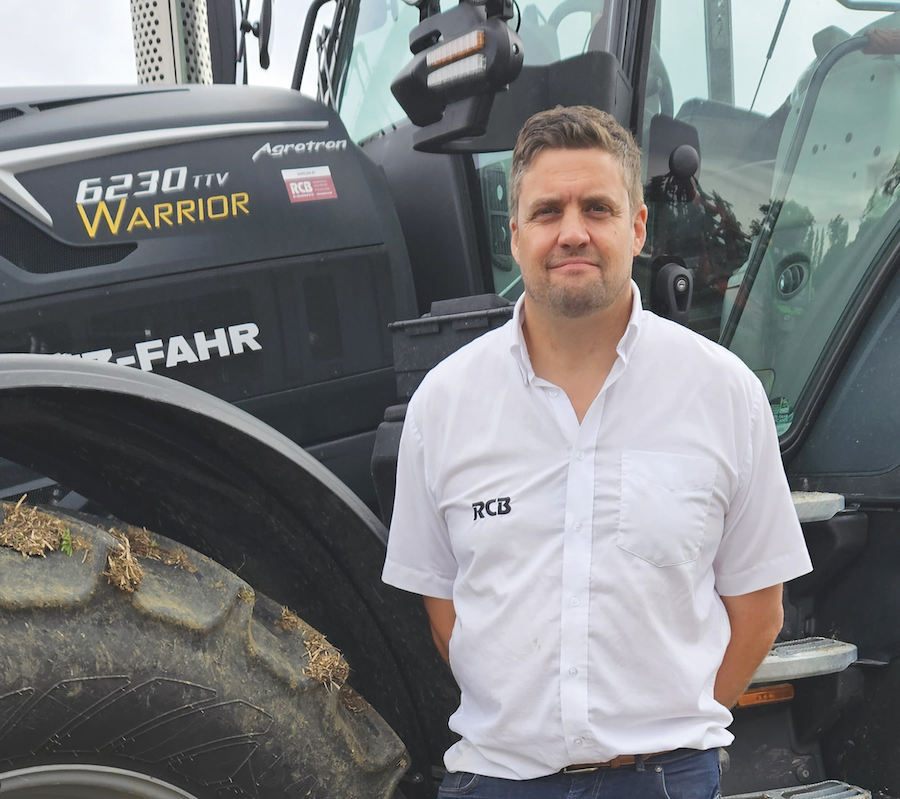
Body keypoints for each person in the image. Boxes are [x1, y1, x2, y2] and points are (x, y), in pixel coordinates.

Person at [382, 105, 812, 799]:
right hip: (498, 781)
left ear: (637, 227)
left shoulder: (723, 392)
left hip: (663, 780)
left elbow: (760, 610)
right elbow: (443, 608)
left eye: (599, 208)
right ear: (515, 234)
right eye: (548, 210)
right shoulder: (444, 405)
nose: (573, 232)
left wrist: (673, 735)